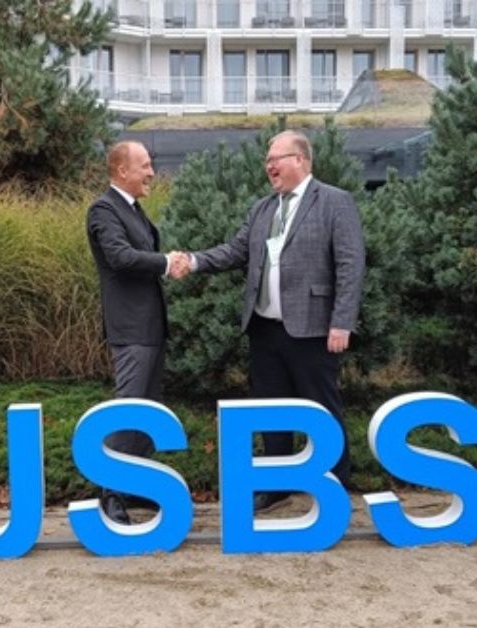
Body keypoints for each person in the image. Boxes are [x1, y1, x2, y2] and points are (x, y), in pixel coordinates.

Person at [171, 130, 366, 511]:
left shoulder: (334, 202)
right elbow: (235, 251)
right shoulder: (264, 208)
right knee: (271, 409)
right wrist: (192, 261)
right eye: (267, 160)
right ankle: (277, 486)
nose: (269, 166)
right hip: (264, 328)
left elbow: (351, 264)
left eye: (277, 158)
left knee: (322, 409)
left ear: (302, 160)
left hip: (313, 329)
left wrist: (342, 322)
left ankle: (336, 487)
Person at [86, 140, 187, 524]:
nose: (151, 173)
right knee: (127, 410)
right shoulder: (103, 209)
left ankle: (137, 486)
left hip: (150, 328)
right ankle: (109, 495)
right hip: (130, 330)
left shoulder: (133, 210)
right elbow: (120, 257)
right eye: (144, 166)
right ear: (121, 171)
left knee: (147, 411)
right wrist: (166, 262)